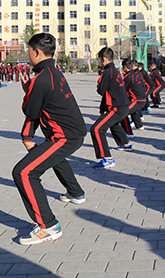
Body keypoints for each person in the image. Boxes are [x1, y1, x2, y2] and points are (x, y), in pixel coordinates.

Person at [12, 33, 86, 245]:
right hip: (69, 134)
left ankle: (48, 226)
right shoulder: (53, 72)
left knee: (24, 172)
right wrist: (27, 136)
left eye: (29, 51)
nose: (29, 55)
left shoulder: (42, 79)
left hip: (65, 136)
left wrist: (27, 92)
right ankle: (76, 192)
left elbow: (31, 111)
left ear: (36, 51)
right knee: (50, 157)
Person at [90, 47, 130, 168]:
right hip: (122, 106)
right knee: (113, 124)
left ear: (104, 59)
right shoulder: (115, 71)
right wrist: (102, 110)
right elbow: (108, 93)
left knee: (96, 129)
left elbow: (101, 90)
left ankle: (107, 159)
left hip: (117, 108)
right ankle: (125, 144)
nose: (99, 63)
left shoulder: (107, 72)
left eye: (100, 61)